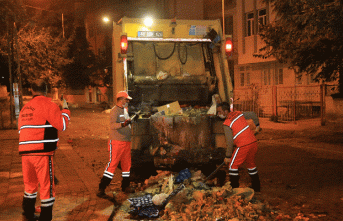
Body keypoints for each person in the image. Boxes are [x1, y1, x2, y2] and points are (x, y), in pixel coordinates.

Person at [18, 79, 70, 221]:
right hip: (42, 153)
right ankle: (45, 217)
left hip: (25, 153)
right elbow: (63, 125)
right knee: (47, 186)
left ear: (32, 90)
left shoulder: (25, 108)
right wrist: (65, 109)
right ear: (46, 90)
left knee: (30, 185)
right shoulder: (49, 105)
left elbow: (20, 130)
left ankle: (28, 214)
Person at [216, 102, 261, 192]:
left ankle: (234, 188)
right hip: (253, 143)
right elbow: (252, 114)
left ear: (225, 111)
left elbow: (229, 142)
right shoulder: (238, 113)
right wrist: (257, 126)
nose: (218, 114)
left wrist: (228, 156)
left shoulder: (227, 123)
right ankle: (257, 186)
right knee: (251, 164)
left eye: (219, 112)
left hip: (243, 145)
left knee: (233, 165)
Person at [97, 91, 134, 197]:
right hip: (117, 142)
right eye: (126, 99)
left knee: (126, 165)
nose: (127, 101)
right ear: (121, 99)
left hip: (126, 141)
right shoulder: (114, 111)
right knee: (112, 164)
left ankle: (125, 186)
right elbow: (113, 125)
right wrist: (123, 124)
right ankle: (102, 188)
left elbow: (124, 122)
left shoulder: (124, 110)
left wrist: (129, 122)